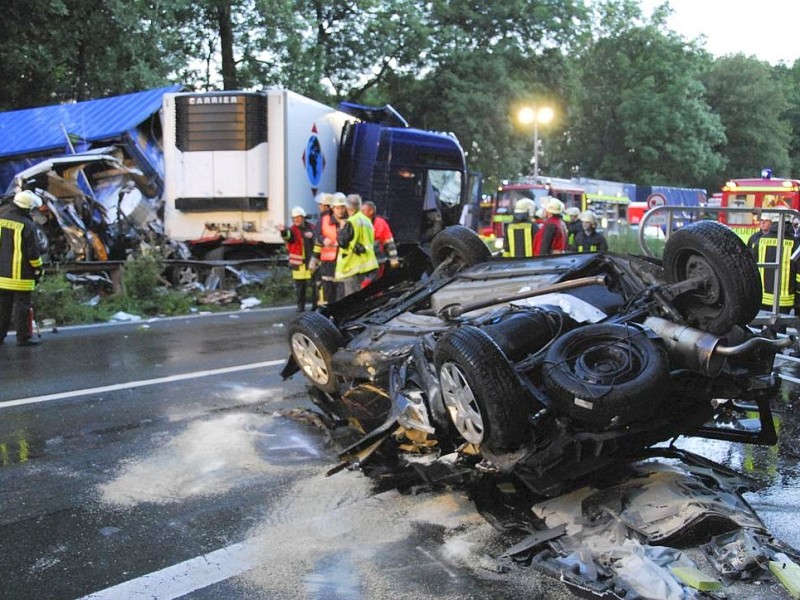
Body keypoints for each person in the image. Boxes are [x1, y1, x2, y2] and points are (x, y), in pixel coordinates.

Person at [0, 190, 44, 346]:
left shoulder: (1, 220)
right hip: (21, 275)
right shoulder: (27, 225)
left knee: (3, 307)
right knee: (22, 307)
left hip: (1, 275)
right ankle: (23, 337)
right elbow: (33, 253)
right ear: (27, 208)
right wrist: (38, 269)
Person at [747, 213, 795, 313]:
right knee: (779, 326)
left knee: (758, 325)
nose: (762, 222)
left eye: (766, 220)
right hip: (785, 299)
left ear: (772, 223)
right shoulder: (795, 242)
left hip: (762, 296)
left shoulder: (760, 241)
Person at [335, 194, 378, 296]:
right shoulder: (367, 220)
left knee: (351, 297)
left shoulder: (351, 221)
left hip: (352, 265)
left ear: (348, 207)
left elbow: (342, 242)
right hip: (366, 264)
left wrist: (341, 229)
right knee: (361, 296)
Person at [279, 206, 316, 312]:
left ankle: (315, 307)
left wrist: (312, 236)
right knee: (300, 288)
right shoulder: (292, 230)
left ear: (303, 217)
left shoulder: (312, 228)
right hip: (298, 264)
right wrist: (283, 231)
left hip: (311, 262)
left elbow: (318, 239)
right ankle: (301, 307)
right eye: (294, 218)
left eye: (298, 217)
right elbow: (288, 237)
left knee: (314, 287)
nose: (296, 220)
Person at [310, 193, 340, 306]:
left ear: (327, 206)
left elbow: (316, 237)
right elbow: (318, 238)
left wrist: (314, 259)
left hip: (330, 261)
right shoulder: (329, 219)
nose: (319, 207)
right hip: (337, 259)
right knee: (334, 288)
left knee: (328, 287)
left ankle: (328, 310)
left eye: (320, 205)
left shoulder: (324, 219)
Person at [361, 201, 399, 280]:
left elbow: (390, 243)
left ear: (371, 211)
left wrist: (394, 259)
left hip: (377, 261)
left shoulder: (381, 223)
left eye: (363, 211)